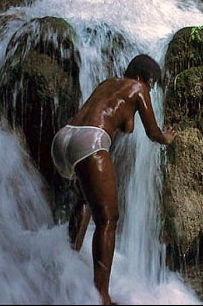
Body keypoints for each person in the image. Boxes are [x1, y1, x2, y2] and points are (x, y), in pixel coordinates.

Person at [51, 54, 176, 305]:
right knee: (108, 220)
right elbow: (152, 132)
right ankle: (101, 297)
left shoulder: (108, 84)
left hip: (64, 138)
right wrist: (167, 138)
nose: (150, 90)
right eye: (151, 84)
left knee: (87, 200)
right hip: (90, 141)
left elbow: (112, 116)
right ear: (142, 77)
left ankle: (68, 258)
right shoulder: (138, 87)